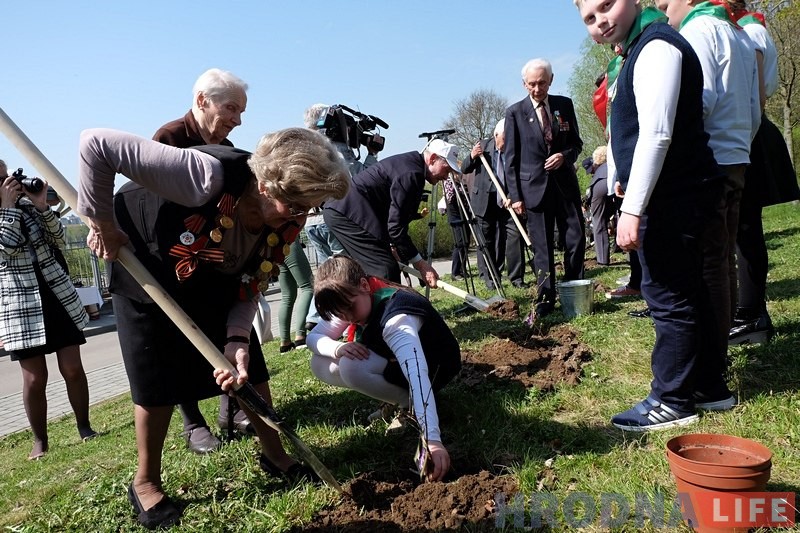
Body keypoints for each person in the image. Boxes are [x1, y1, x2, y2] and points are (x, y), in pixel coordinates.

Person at [76, 127, 350, 528]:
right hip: (146, 263)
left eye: (310, 207)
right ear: (266, 185)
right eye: (296, 206)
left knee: (251, 371)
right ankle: (146, 481)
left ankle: (275, 455)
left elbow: (249, 285)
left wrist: (237, 339)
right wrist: (102, 222)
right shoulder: (205, 174)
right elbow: (95, 144)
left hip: (211, 273)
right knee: (156, 381)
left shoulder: (284, 222)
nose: (303, 217)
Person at [574, 0, 733, 430]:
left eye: (606, 5)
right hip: (680, 191)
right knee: (693, 290)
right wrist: (627, 178)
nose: (601, 20)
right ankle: (708, 386)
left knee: (668, 297)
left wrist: (632, 208)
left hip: (674, 198)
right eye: (589, 18)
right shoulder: (639, 47)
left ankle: (672, 398)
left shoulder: (656, 46)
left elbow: (657, 134)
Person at [656, 0, 760, 407]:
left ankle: (707, 373)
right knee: (721, 262)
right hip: (735, 156)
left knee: (707, 267)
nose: (662, 9)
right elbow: (754, 106)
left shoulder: (698, 33)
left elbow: (698, 101)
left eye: (666, 2)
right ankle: (713, 363)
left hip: (709, 160)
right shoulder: (737, 33)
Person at [153, 68, 250, 454]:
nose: (237, 120)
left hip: (219, 258)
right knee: (183, 337)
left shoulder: (227, 144)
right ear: (201, 101)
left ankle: (233, 407)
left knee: (230, 329)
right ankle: (193, 423)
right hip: (178, 260)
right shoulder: (169, 138)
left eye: (241, 112)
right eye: (231, 109)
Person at [306, 256, 461, 482]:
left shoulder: (396, 320)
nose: (347, 318)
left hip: (435, 368)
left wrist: (433, 439)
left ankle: (408, 406)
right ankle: (401, 399)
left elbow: (417, 373)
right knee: (319, 361)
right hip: (398, 364)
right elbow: (314, 338)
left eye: (349, 309)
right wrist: (338, 348)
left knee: (351, 367)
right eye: (339, 314)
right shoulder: (353, 300)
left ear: (364, 286)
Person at [0, 160, 98, 460]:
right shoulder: (7, 210)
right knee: (34, 377)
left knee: (72, 367)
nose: (9, 181)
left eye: (7, 175)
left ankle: (85, 427)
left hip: (55, 293)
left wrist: (42, 206)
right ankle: (40, 441)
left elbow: (60, 239)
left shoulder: (29, 207)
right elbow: (7, 247)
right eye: (1, 177)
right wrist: (7, 208)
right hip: (20, 302)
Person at [726, 0, 796, 344]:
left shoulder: (750, 30)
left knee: (746, 228)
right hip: (748, 132)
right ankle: (750, 311)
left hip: (749, 133)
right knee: (742, 229)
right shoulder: (745, 29)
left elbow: (755, 96)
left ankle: (752, 314)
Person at [504, 58, 586, 318]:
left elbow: (576, 144)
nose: (537, 89)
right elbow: (510, 160)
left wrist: (565, 156)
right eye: (531, 84)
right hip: (533, 189)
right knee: (542, 246)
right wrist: (515, 197)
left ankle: (573, 288)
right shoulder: (515, 113)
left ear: (551, 80)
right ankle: (545, 296)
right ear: (524, 84)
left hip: (564, 186)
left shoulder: (564, 105)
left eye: (541, 83)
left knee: (575, 237)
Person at [323, 138, 461, 287]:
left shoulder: (412, 166)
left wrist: (392, 247)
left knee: (384, 266)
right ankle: (386, 309)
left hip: (348, 212)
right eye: (446, 169)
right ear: (433, 159)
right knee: (384, 270)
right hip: (347, 213)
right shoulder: (411, 174)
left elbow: (393, 218)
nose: (446, 176)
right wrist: (421, 264)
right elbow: (396, 228)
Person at [301, 103, 379, 330]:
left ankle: (314, 319)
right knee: (341, 272)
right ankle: (323, 319)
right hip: (333, 219)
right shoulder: (335, 151)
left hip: (312, 221)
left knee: (326, 270)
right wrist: (372, 155)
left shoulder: (308, 149)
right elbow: (361, 179)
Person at [461, 119, 525, 290]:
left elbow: (519, 175)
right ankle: (489, 277)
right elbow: (464, 169)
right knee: (486, 241)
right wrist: (472, 156)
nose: (507, 143)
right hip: (484, 201)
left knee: (515, 236)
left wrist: (513, 196)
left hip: (507, 201)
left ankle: (516, 278)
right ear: (496, 135)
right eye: (505, 139)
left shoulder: (516, 149)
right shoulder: (482, 146)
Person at [277, 239, 314, 353]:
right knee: (308, 287)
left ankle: (285, 343)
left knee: (287, 296)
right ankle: (300, 336)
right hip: (288, 240)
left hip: (274, 246)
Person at [587, 146, 616, 265]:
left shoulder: (599, 171)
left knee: (598, 221)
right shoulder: (613, 163)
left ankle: (602, 260)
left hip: (600, 185)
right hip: (616, 181)